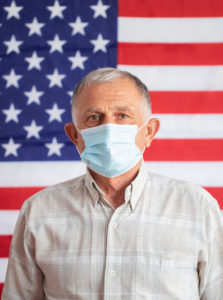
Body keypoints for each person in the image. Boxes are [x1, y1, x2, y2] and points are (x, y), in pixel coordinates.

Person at [2, 68, 223, 299]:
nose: (108, 129)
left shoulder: (198, 208)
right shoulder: (38, 212)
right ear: (75, 136)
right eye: (94, 117)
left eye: (123, 116)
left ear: (149, 131)